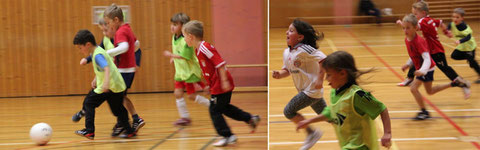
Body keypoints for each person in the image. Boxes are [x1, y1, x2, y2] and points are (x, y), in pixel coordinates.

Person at [182, 20, 260, 147]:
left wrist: (223, 82)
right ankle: (250, 119)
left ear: (190, 36)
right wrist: (209, 85)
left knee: (214, 110)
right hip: (217, 84)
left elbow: (220, 64)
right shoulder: (197, 50)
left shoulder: (204, 47)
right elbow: (210, 70)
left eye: (184, 36)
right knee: (224, 108)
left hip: (222, 84)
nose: (184, 39)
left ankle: (227, 136)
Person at [297, 51, 392, 150]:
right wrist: (308, 121)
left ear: (342, 73)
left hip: (360, 146)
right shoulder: (334, 93)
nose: (326, 79)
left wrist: (387, 133)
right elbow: (331, 113)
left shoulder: (357, 95)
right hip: (347, 145)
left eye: (329, 75)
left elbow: (381, 109)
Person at [400, 14, 469, 120]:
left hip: (426, 68)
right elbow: (414, 54)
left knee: (413, 89)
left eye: (408, 28)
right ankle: (454, 83)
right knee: (430, 91)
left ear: (415, 28)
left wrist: (423, 71)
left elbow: (427, 58)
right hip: (424, 68)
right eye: (403, 28)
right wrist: (408, 64)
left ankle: (424, 112)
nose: (405, 30)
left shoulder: (419, 41)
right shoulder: (407, 39)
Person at [271, 18, 327, 150]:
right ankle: (351, 124)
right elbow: (287, 70)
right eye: (288, 30)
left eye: (291, 31)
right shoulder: (287, 52)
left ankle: (311, 133)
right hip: (310, 92)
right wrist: (279, 74)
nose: (287, 32)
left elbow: (324, 59)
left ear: (300, 37)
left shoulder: (304, 49)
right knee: (329, 116)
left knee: (288, 111)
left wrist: (320, 79)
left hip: (311, 91)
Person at [396, 1, 471, 99]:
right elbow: (440, 23)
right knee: (417, 60)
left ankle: (463, 84)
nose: (414, 17)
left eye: (415, 14)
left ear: (423, 13)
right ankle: (409, 78)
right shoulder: (430, 19)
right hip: (431, 49)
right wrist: (446, 31)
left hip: (436, 50)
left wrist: (402, 23)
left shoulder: (423, 21)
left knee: (446, 69)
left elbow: (415, 27)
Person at [72, 29, 136, 139]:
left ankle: (89, 131)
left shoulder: (97, 55)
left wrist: (105, 83)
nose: (80, 51)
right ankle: (129, 131)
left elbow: (106, 67)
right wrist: (96, 79)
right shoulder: (97, 51)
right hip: (116, 85)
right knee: (118, 109)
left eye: (80, 48)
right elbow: (102, 69)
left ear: (88, 44)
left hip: (109, 86)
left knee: (89, 103)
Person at [163, 12, 210, 126]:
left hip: (189, 71)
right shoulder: (174, 37)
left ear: (183, 26)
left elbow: (186, 56)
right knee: (178, 93)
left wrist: (172, 55)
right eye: (172, 24)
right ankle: (185, 117)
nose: (172, 26)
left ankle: (212, 105)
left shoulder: (186, 40)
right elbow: (178, 52)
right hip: (180, 72)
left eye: (175, 24)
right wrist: (174, 58)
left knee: (191, 96)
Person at [447, 8, 480, 83]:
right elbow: (449, 26)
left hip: (469, 47)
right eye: (453, 17)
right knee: (454, 56)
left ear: (462, 18)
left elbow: (468, 37)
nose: (455, 19)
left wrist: (460, 41)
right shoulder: (452, 24)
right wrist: (448, 31)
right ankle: (469, 57)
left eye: (457, 17)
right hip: (462, 47)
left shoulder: (464, 26)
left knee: (472, 64)